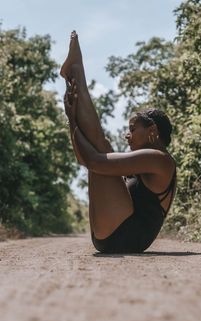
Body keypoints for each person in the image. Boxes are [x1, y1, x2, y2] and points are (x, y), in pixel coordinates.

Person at [61, 31, 176, 254]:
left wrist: (73, 119)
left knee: (102, 151)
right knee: (101, 151)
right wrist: (71, 120)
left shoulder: (159, 159)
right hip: (114, 233)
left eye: (133, 129)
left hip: (124, 236)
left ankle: (77, 74)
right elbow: (83, 160)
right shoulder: (144, 163)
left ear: (152, 131)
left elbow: (93, 161)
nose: (127, 135)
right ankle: (76, 73)